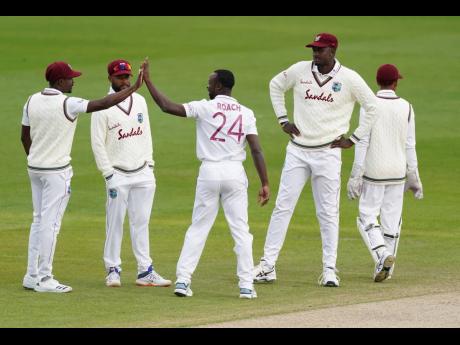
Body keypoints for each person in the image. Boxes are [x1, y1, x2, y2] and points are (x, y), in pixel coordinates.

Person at [253, 33, 378, 287]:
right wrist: (282, 120)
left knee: (328, 213)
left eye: (320, 50)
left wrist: (353, 139)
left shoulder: (349, 78)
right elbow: (275, 85)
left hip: (328, 153)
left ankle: (329, 270)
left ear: (332, 51)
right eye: (314, 49)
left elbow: (372, 106)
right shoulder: (300, 70)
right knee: (282, 208)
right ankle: (267, 266)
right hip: (297, 150)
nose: (315, 54)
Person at [142, 59, 270, 299]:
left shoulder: (205, 107)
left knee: (198, 227)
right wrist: (265, 183)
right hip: (234, 173)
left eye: (210, 84)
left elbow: (166, 106)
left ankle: (182, 281)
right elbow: (256, 150)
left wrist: (148, 81)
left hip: (209, 172)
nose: (207, 88)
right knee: (241, 231)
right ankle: (246, 286)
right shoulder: (246, 112)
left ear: (220, 86)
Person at [21, 60, 144, 293]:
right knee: (51, 224)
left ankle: (31, 274)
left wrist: (35, 157)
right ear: (59, 82)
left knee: (38, 221)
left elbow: (24, 135)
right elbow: (104, 103)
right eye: (70, 78)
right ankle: (45, 278)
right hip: (56, 172)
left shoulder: (31, 100)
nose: (74, 81)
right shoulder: (68, 103)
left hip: (35, 168)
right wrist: (133, 88)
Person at [90, 59, 171, 288]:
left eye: (127, 77)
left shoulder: (140, 101)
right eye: (120, 77)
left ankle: (145, 270)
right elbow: (97, 144)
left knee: (141, 222)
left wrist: (150, 164)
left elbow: (146, 134)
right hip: (118, 173)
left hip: (143, 171)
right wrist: (108, 174)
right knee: (115, 223)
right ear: (110, 79)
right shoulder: (103, 107)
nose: (125, 81)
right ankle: (112, 269)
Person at [347, 64, 423, 282]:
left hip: (374, 171)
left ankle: (382, 255)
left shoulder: (369, 105)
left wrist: (355, 174)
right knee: (392, 221)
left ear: (377, 81)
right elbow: (411, 145)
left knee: (366, 217)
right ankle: (387, 270)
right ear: (396, 82)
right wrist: (414, 177)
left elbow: (363, 140)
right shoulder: (407, 107)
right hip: (398, 172)